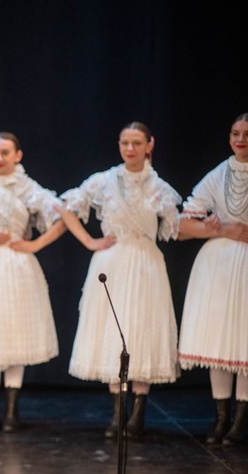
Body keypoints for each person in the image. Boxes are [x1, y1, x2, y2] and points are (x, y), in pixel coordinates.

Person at [0, 131, 92, 432]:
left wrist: (36, 244)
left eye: (5, 152)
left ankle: (11, 411)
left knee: (14, 330)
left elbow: (64, 213)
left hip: (17, 264)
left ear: (17, 155)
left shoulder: (27, 186)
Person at [62, 122, 182, 438]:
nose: (130, 149)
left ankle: (138, 413)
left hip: (144, 262)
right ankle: (118, 413)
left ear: (149, 145)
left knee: (142, 329)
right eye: (125, 143)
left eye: (137, 143)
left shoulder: (159, 187)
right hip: (112, 261)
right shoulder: (103, 181)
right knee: (112, 330)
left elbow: (175, 227)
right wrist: (89, 241)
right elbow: (67, 207)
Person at [176, 113, 248, 445]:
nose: (240, 140)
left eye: (246, 134)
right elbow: (181, 226)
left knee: (243, 338)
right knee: (220, 337)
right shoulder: (218, 175)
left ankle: (242, 420)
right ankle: (221, 417)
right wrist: (218, 229)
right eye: (235, 133)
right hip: (218, 265)